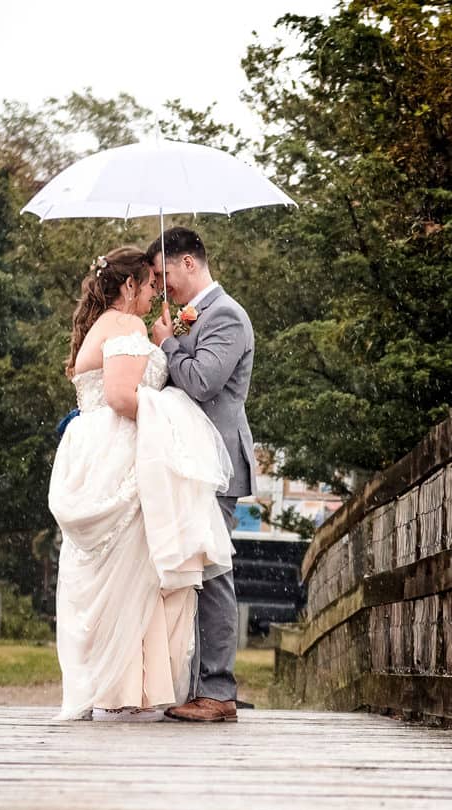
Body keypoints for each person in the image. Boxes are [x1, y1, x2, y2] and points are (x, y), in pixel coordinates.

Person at [47, 246, 234, 721]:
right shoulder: (125, 326)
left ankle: (119, 683)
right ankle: (127, 686)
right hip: (122, 456)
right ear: (129, 286)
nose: (157, 291)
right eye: (151, 283)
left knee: (116, 570)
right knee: (135, 570)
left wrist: (161, 340)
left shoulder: (105, 325)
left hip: (96, 451)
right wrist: (176, 415)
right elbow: (121, 396)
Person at [145, 227, 258, 724]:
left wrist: (169, 343)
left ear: (189, 263)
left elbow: (203, 381)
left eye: (164, 274)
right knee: (191, 571)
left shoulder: (227, 316)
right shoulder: (194, 317)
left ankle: (218, 691)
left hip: (215, 467)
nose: (162, 285)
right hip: (188, 463)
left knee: (213, 575)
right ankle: (194, 686)